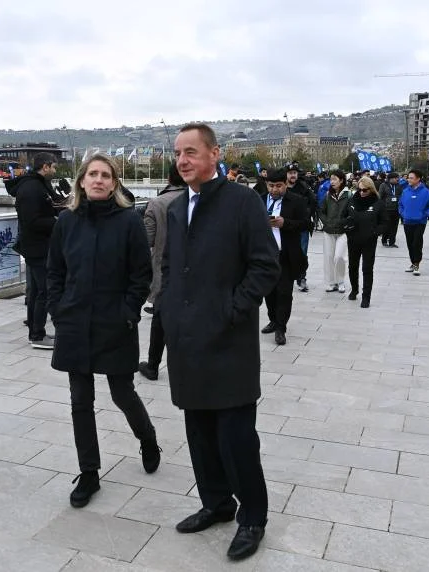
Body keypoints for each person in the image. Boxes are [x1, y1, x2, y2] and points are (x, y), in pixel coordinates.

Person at [160, 123, 280, 562]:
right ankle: (216, 502)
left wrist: (233, 310)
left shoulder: (242, 202)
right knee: (199, 432)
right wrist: (169, 309)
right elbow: (171, 267)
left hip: (229, 342)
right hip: (188, 340)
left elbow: (266, 267)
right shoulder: (177, 208)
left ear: (214, 154)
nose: (183, 160)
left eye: (191, 151)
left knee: (236, 437)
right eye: (178, 153)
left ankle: (252, 517)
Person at [47, 153, 160, 509]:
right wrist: (58, 310)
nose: (98, 180)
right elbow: (55, 272)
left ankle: (147, 438)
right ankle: (90, 472)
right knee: (80, 400)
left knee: (121, 393)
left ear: (114, 182)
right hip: (75, 322)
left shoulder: (129, 221)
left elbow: (141, 275)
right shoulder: (66, 222)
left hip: (115, 323)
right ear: (81, 181)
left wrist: (128, 313)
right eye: (92, 174)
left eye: (105, 175)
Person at [138, 162, 186, 380]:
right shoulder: (200, 201)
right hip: (194, 273)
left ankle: (153, 365)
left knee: (159, 322)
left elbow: (146, 239)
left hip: (163, 272)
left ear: (168, 179)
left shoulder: (156, 204)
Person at [8, 152, 59, 349]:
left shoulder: (38, 184)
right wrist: (57, 221)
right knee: (44, 291)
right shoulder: (31, 188)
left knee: (38, 291)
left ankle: (35, 332)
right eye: (53, 167)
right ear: (45, 167)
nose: (54, 171)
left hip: (39, 245)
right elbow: (32, 221)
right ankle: (38, 335)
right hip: (37, 247)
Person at [260, 168, 308, 344]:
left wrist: (285, 223)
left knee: (284, 293)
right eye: (271, 186)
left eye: (278, 186)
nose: (274, 190)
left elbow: (305, 224)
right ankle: (273, 319)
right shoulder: (259, 200)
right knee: (269, 292)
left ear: (286, 184)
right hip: (264, 256)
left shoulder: (297, 201)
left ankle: (281, 328)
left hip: (286, 255)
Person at [344, 177, 386, 308]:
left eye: (365, 190)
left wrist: (375, 232)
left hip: (369, 241)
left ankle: (366, 296)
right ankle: (354, 289)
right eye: (359, 189)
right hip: (353, 239)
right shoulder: (351, 201)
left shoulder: (378, 203)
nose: (361, 192)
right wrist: (346, 225)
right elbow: (343, 217)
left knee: (367, 268)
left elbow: (384, 222)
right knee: (352, 267)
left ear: (371, 189)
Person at [399, 168, 429, 276]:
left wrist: (424, 214)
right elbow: (400, 204)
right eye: (408, 178)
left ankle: (416, 264)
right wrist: (403, 213)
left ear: (418, 179)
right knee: (410, 244)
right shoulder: (405, 191)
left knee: (417, 243)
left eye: (411, 178)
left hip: (420, 222)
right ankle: (413, 263)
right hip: (407, 221)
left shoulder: (426, 192)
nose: (408, 180)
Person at [319, 169, 352, 293]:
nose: (332, 182)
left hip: (342, 231)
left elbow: (352, 213)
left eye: (334, 179)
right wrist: (326, 221)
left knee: (339, 257)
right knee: (328, 257)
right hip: (328, 230)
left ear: (341, 180)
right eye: (331, 179)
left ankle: (341, 281)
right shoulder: (328, 195)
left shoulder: (349, 195)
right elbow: (321, 210)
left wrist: (345, 222)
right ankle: (331, 282)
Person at [286, 164, 316, 292]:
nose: (293, 175)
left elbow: (313, 202)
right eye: (290, 172)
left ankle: (301, 278)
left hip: (301, 226)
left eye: (295, 173)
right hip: (286, 226)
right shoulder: (282, 187)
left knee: (302, 253)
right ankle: (286, 276)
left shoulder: (304, 187)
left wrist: (306, 214)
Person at [378, 172, 402, 247]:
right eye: (395, 178)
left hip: (396, 209)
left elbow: (401, 195)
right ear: (390, 179)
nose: (397, 179)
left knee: (394, 227)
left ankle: (392, 242)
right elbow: (380, 196)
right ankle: (384, 241)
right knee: (386, 226)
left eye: (397, 178)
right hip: (386, 209)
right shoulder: (383, 185)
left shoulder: (399, 185)